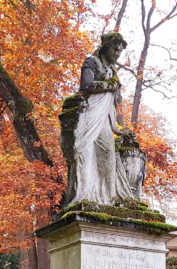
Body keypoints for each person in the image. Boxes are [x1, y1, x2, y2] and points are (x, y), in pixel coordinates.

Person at [68, 32, 128, 205]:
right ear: (106, 47)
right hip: (89, 115)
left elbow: (112, 104)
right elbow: (86, 85)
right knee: (85, 153)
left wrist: (116, 127)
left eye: (120, 52)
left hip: (104, 118)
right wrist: (109, 85)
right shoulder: (92, 62)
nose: (117, 54)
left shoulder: (113, 70)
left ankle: (109, 196)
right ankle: (85, 193)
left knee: (108, 152)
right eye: (115, 50)